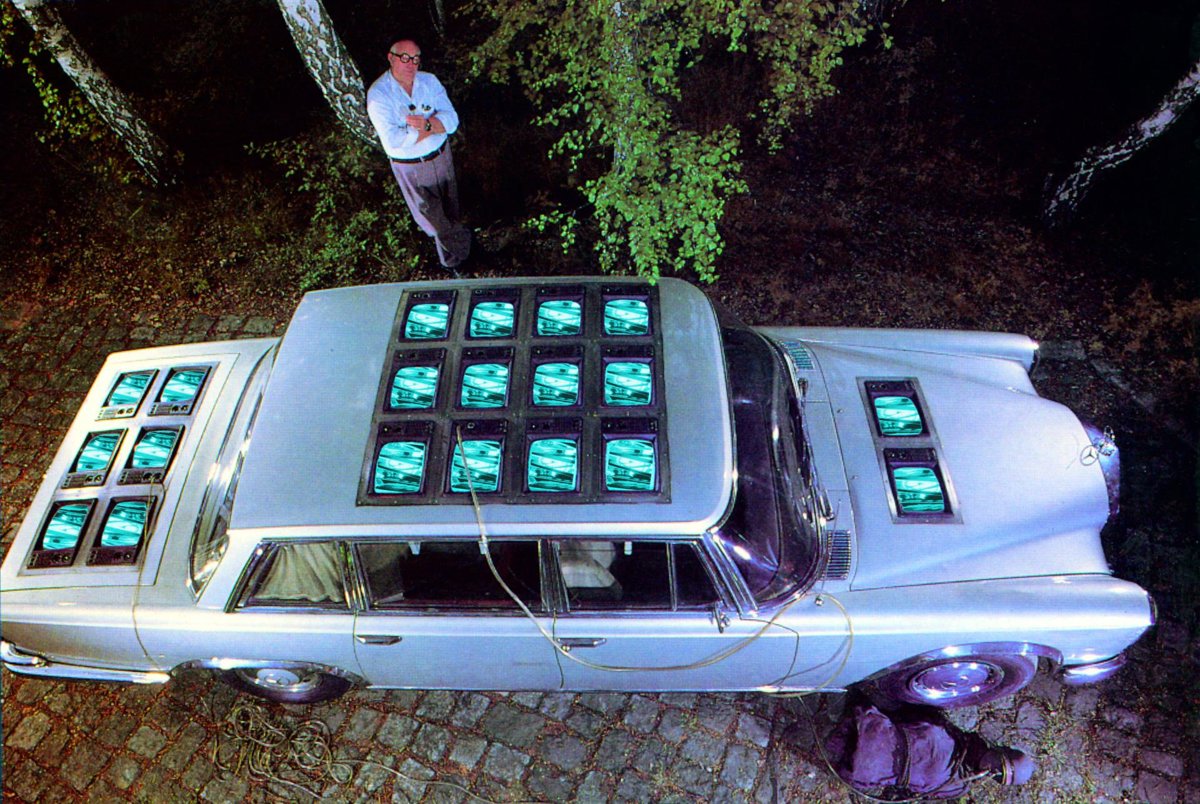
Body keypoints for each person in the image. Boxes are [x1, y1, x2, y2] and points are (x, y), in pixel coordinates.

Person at [367, 39, 471, 272]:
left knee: (452, 212)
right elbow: (394, 141)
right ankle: (466, 254)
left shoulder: (429, 81)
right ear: (391, 58)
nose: (411, 64)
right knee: (434, 222)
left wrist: (422, 127)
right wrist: (433, 125)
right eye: (404, 58)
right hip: (412, 167)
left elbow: (452, 121)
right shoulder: (378, 95)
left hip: (442, 157)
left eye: (415, 59)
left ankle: (453, 263)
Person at [825, 693, 1036, 799]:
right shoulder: (954, 788)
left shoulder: (950, 736)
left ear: (1002, 750)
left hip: (862, 726)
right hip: (855, 772)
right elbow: (908, 792)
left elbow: (910, 714)